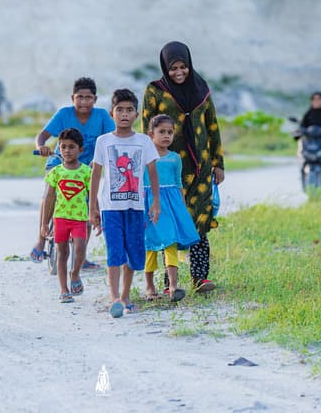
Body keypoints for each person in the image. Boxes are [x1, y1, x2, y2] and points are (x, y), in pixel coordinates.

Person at [141, 41, 224, 294]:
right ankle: (170, 284)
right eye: (173, 68)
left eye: (183, 67)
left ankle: (200, 279)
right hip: (165, 169)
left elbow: (212, 127)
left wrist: (218, 164)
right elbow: (145, 130)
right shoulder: (154, 91)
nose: (179, 72)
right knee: (168, 223)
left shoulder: (202, 89)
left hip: (199, 166)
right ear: (165, 68)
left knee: (198, 219)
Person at [89, 89, 160, 318]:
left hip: (136, 207)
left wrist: (155, 202)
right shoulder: (104, 141)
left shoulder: (144, 141)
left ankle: (126, 294)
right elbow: (96, 175)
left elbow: (152, 172)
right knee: (114, 252)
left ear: (137, 115)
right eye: (120, 110)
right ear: (112, 113)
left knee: (134, 252)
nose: (124, 114)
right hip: (110, 208)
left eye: (129, 110)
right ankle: (114, 298)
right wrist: (92, 207)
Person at [30, 77, 115, 269]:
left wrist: (104, 158)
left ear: (95, 99)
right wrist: (41, 146)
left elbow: (112, 139)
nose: (84, 102)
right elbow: (42, 135)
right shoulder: (63, 114)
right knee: (50, 192)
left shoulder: (101, 116)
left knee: (86, 206)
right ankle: (41, 239)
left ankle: (81, 256)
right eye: (80, 97)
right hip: (60, 161)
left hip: (87, 167)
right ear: (72, 98)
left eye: (88, 98)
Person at [143, 114, 201, 302]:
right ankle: (149, 286)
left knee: (170, 242)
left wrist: (181, 208)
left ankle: (173, 286)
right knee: (150, 245)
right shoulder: (144, 156)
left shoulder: (175, 158)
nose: (166, 136)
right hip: (149, 201)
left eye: (170, 132)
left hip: (171, 203)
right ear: (150, 134)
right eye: (162, 132)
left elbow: (178, 183)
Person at [40, 128, 92, 303]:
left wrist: (95, 213)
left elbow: (92, 196)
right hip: (60, 218)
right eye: (63, 147)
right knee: (62, 253)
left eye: (72, 147)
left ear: (81, 150)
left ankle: (75, 273)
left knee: (80, 248)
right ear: (59, 150)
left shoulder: (86, 172)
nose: (67, 151)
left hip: (80, 219)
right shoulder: (55, 172)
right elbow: (48, 198)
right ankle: (63, 289)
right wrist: (44, 224)